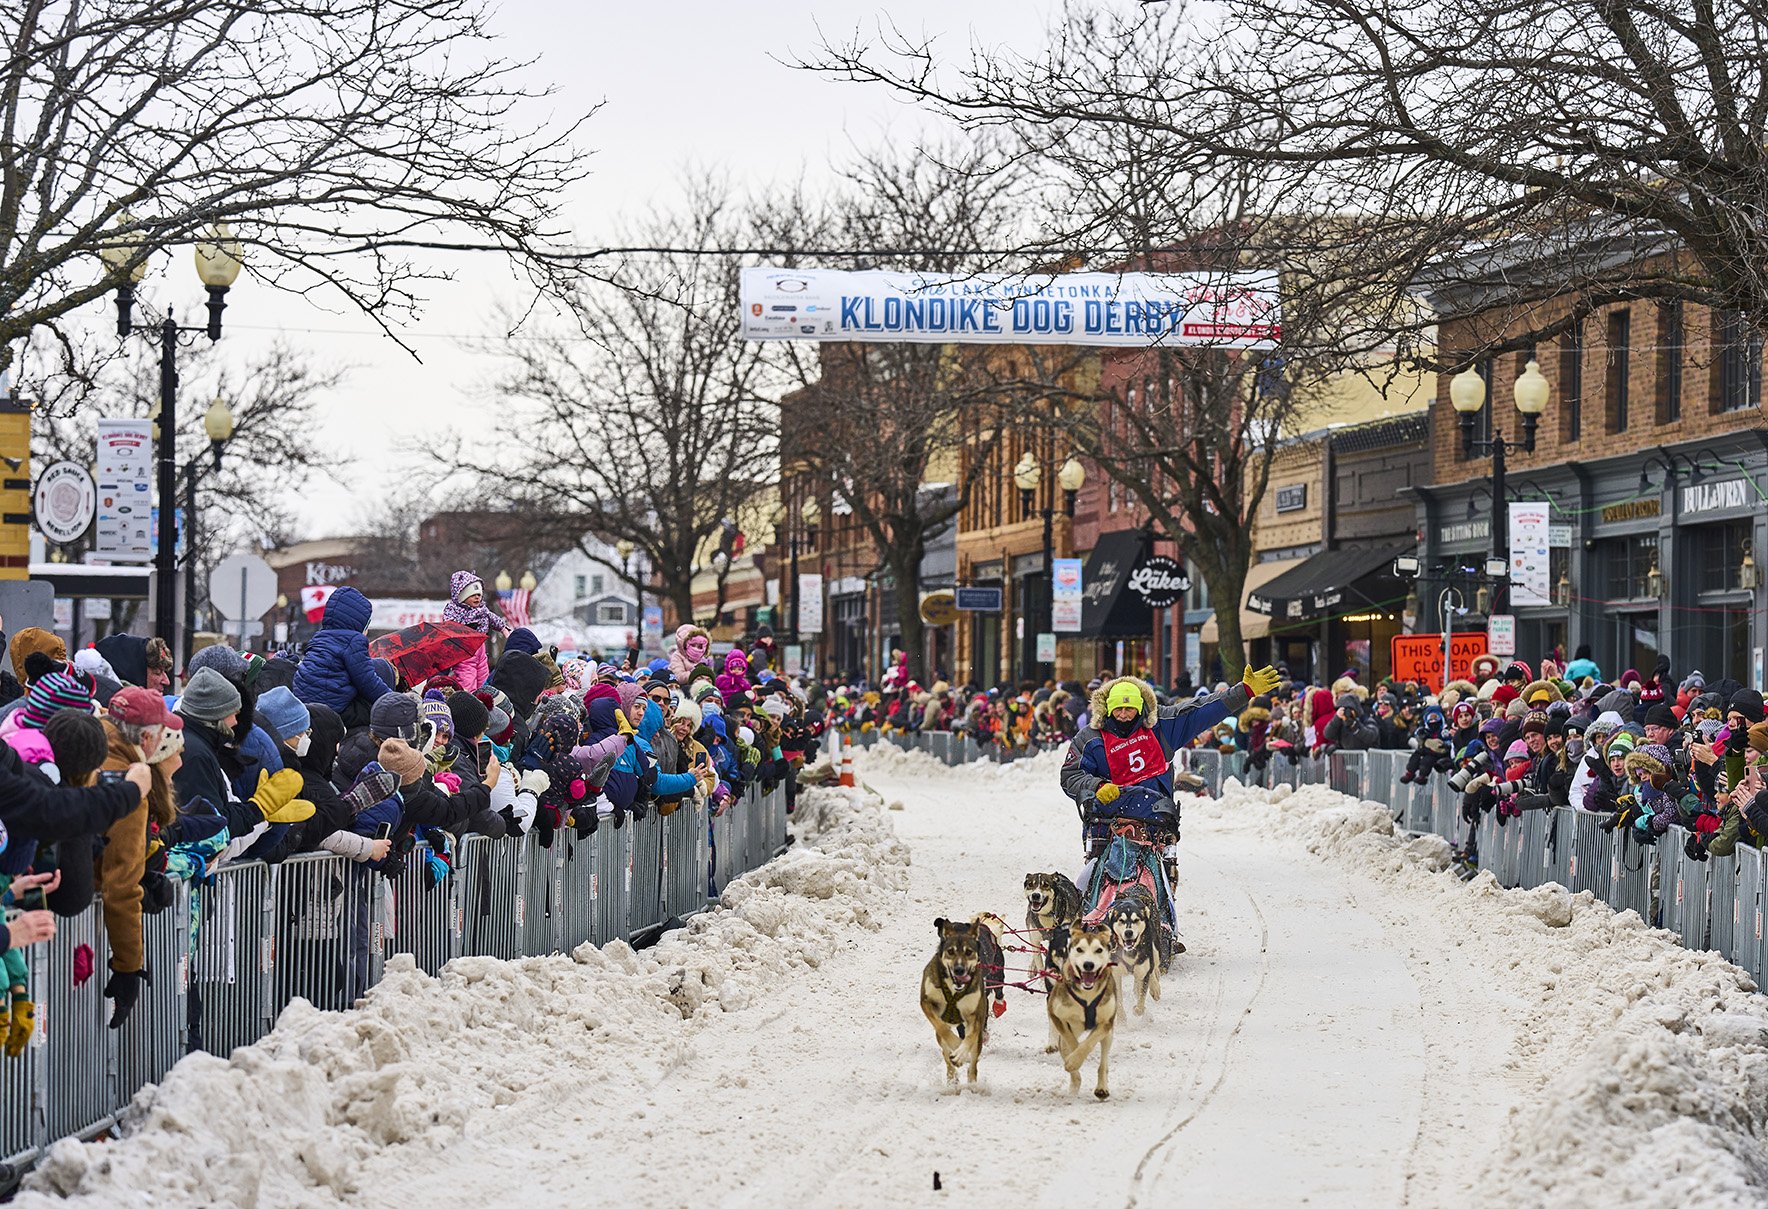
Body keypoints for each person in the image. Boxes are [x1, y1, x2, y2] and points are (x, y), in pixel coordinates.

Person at [291, 586, 391, 728]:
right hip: (332, 707)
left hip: (303, 702)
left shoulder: (320, 636)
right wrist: (392, 699)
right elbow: (367, 680)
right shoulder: (354, 641)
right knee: (370, 710)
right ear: (360, 623)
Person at [443, 571, 511, 693]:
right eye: (473, 595)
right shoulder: (454, 610)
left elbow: (494, 619)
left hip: (480, 649)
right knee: (467, 678)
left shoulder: (482, 610)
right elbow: (449, 624)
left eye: (479, 595)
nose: (477, 597)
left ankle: (483, 698)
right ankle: (468, 700)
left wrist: (504, 629)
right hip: (465, 651)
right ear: (462, 595)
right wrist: (466, 626)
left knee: (483, 678)